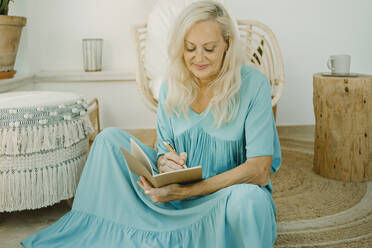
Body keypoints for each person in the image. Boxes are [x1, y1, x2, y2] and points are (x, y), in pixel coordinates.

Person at [21, 1, 281, 247]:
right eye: (190, 48)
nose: (198, 58)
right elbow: (165, 148)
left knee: (248, 202)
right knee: (108, 140)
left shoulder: (253, 85)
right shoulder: (172, 84)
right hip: (174, 199)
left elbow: (258, 171)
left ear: (227, 44)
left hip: (224, 198)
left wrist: (185, 193)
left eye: (209, 48)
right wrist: (163, 162)